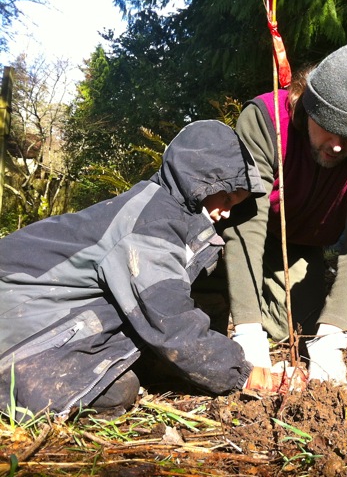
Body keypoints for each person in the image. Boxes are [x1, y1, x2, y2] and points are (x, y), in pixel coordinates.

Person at [0, 120, 271, 418]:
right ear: (202, 179)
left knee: (126, 373)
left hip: (40, 306)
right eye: (227, 196)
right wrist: (243, 373)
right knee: (116, 391)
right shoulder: (151, 227)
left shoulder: (164, 211)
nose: (228, 211)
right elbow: (171, 320)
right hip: (16, 314)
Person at [222, 45, 347, 385]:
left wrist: (332, 338)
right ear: (307, 106)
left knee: (293, 329)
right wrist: (247, 329)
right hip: (249, 232)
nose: (337, 146)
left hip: (304, 245)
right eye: (328, 128)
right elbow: (247, 223)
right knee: (232, 317)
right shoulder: (265, 119)